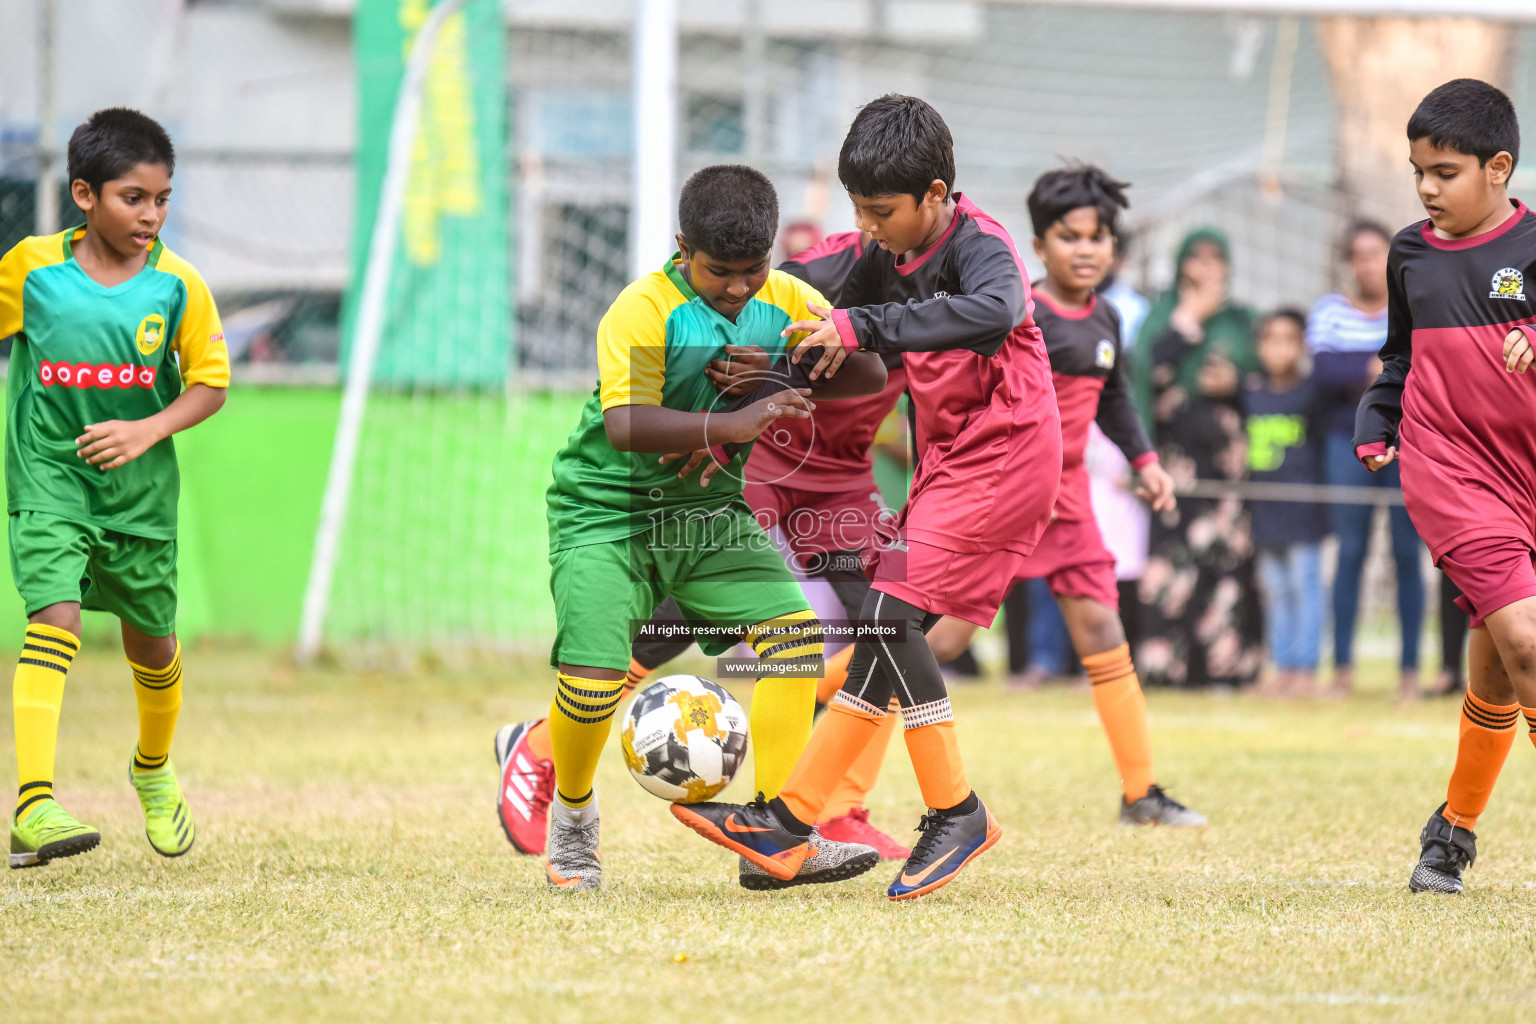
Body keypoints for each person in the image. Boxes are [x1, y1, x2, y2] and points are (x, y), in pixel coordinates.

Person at [668, 94, 1063, 900]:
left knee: (886, 616)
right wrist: (710, 285)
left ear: (938, 195)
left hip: (1007, 454)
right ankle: (790, 821)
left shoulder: (983, 247)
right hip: (950, 462)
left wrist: (864, 327)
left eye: (882, 211)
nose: (871, 227)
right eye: (859, 210)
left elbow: (999, 309)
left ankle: (956, 810)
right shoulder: (883, 251)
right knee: (891, 635)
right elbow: (807, 285)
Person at [494, 227, 916, 871]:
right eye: (723, 269)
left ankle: (779, 832)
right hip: (616, 509)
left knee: (833, 632)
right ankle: (571, 807)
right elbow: (625, 423)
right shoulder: (642, 309)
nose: (741, 287)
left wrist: (783, 369)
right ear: (684, 246)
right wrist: (730, 424)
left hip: (741, 499)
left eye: (755, 269)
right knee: (602, 668)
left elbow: (868, 370)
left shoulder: (796, 293)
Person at [922, 164, 1204, 825]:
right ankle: (829, 726)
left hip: (1069, 500)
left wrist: (1145, 459)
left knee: (1104, 628)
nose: (1085, 249)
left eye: (1098, 237)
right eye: (1069, 236)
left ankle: (1141, 793)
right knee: (940, 643)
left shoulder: (1107, 318)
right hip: (1010, 495)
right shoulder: (1018, 312)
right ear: (1040, 245)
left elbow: (1115, 398)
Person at [1, 108, 230, 868]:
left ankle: (153, 770)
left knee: (154, 647)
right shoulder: (31, 270)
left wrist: (146, 429)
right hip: (50, 478)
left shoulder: (178, 286)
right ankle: (33, 804)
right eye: (134, 198)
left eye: (163, 199)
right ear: (83, 195)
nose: (151, 214)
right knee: (54, 615)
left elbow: (210, 386)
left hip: (137, 499)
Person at [1354, 79, 1536, 894]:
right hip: (1450, 471)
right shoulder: (1410, 253)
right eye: (1417, 170)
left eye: (1445, 172)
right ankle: (1451, 835)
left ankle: (1451, 834)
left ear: (1499, 168)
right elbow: (1400, 356)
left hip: (1526, 472)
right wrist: (1375, 415)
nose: (1426, 188)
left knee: (1500, 668)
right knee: (1530, 642)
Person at [1137, 228, 1263, 689]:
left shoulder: (1243, 318)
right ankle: (1165, 668)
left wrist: (1234, 383)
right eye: (1196, 257)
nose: (1207, 267)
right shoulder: (1162, 314)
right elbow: (1141, 371)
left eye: (1216, 257)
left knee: (1225, 561)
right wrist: (1189, 320)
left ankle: (1223, 669)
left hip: (1227, 465)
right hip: (1173, 462)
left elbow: (1269, 370)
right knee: (1172, 563)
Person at [1309, 221, 1424, 700]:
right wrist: (1378, 368)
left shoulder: (1413, 307)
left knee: (1406, 553)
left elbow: (1423, 364)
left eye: (1376, 253)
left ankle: (1410, 670)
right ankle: (1341, 668)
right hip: (1346, 445)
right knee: (1350, 553)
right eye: (1358, 255)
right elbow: (1322, 369)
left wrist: (1365, 373)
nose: (1367, 264)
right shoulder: (1330, 311)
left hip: (1407, 443)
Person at [1244, 310, 1329, 697]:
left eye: (1288, 339)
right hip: (1265, 511)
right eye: (1271, 339)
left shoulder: (1313, 393)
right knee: (1275, 589)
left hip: (1304, 511)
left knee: (1305, 586)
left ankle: (1306, 670)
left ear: (1302, 346)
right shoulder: (1250, 392)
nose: (1279, 348)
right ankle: (1282, 667)